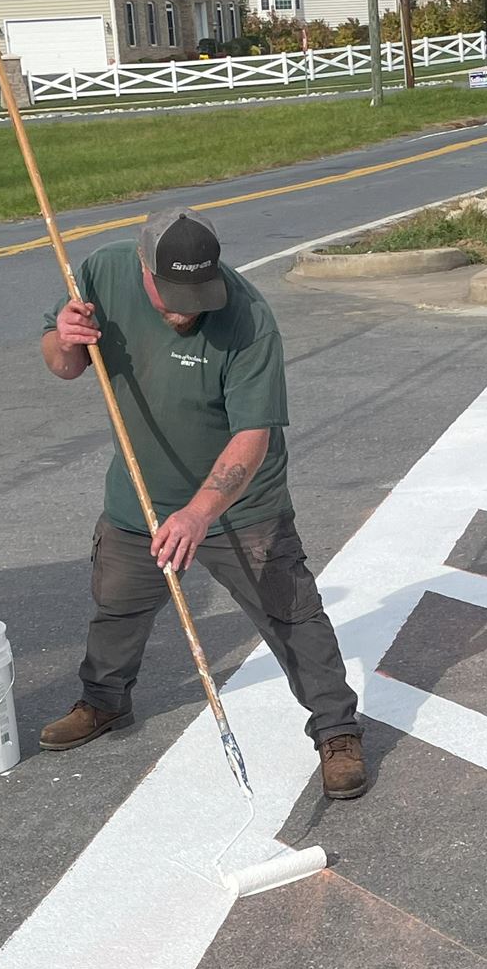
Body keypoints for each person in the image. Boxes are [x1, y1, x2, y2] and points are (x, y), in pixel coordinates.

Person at [38, 208, 369, 800]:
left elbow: (252, 437)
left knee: (292, 616)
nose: (185, 309)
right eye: (170, 295)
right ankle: (104, 701)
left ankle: (336, 731)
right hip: (138, 496)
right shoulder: (100, 273)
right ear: (142, 268)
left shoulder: (248, 320)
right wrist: (64, 339)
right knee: (116, 606)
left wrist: (198, 513)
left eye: (196, 295)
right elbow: (65, 367)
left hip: (239, 506)